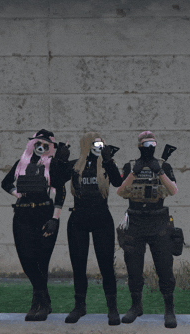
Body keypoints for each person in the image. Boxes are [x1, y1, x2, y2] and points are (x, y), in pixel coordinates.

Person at [1, 129, 68, 322]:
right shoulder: (21, 164)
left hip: (45, 214)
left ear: (50, 147)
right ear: (32, 144)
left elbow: (61, 192)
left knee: (41, 261)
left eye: (46, 145)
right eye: (39, 143)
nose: (41, 147)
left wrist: (55, 219)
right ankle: (43, 298)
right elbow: (6, 183)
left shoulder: (53, 165)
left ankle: (38, 304)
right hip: (22, 215)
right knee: (27, 259)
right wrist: (17, 194)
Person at [116, 131, 179, 329]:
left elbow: (174, 190)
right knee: (133, 268)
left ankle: (169, 309)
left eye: (152, 143)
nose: (149, 147)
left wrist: (159, 172)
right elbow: (120, 191)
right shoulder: (129, 165)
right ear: (139, 146)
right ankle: (136, 306)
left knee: (164, 268)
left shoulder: (163, 165)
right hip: (135, 222)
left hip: (159, 222)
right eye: (145, 143)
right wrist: (133, 172)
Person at [61, 132, 123, 326]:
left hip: (101, 217)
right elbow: (55, 180)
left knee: (106, 265)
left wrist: (110, 161)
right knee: (78, 265)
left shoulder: (105, 164)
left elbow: (119, 183)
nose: (100, 146)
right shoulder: (74, 165)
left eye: (102, 143)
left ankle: (112, 308)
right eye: (96, 143)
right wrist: (59, 160)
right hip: (78, 217)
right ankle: (80, 306)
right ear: (86, 145)